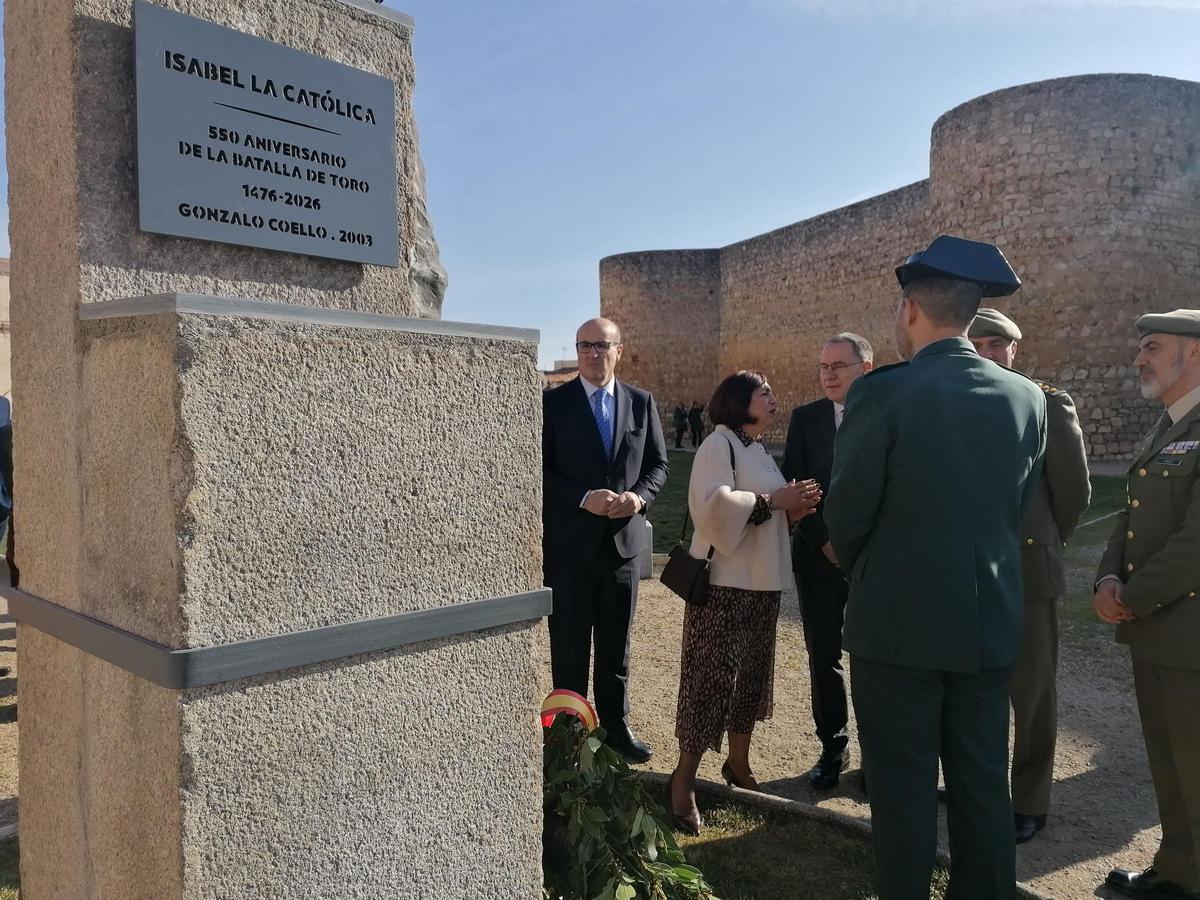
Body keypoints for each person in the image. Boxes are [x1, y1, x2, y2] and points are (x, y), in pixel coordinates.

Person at [825, 234, 1046, 900]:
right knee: (982, 788)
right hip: (986, 628)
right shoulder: (1027, 398)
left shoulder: (883, 394)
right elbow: (1017, 506)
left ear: (912, 309)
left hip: (897, 630)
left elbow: (847, 518)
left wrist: (876, 568)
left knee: (903, 792)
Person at [668, 370, 820, 834]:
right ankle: (683, 781)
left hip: (761, 584)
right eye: (763, 392)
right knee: (711, 680)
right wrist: (776, 500)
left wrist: (791, 510)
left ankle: (738, 763)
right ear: (739, 401)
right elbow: (712, 505)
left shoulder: (756, 450)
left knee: (750, 676)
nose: (772, 398)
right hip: (723, 586)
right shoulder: (719, 444)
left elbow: (766, 516)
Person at [968, 307, 1091, 845]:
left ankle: (1030, 800)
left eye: (999, 344)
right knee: (977, 687)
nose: (990, 353)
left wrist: (1039, 541)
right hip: (971, 570)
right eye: (981, 345)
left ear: (1014, 349)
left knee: (1032, 692)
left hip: (1028, 569)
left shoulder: (1047, 402)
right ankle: (984, 787)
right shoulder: (960, 406)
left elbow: (1075, 491)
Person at [1094, 310, 1200, 900]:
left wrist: (1131, 597)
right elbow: (1130, 517)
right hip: (1157, 631)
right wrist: (1107, 577)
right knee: (1169, 759)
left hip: (1189, 633)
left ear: (1196, 354)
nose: (1140, 359)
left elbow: (1196, 540)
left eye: (1153, 347)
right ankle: (1179, 871)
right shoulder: (1166, 426)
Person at [542, 317, 669, 763]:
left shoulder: (640, 402)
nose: (593, 354)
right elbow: (539, 471)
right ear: (577, 352)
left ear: (620, 350)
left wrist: (638, 498)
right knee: (570, 647)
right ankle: (569, 733)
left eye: (602, 345)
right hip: (571, 553)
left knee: (616, 647)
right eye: (584, 346)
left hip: (622, 549)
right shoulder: (553, 405)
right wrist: (581, 498)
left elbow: (658, 466)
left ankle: (616, 726)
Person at [781, 332, 874, 789]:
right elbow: (796, 483)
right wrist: (824, 542)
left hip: (873, 561)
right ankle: (833, 747)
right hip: (816, 558)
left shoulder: (884, 415)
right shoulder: (806, 419)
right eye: (824, 366)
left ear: (866, 369)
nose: (830, 374)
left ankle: (878, 755)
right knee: (824, 656)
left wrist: (855, 546)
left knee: (875, 656)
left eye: (840, 365)